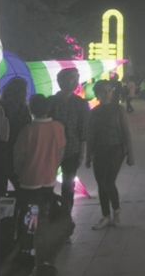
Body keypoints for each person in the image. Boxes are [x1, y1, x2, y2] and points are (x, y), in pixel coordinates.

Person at [13, 94, 66, 272]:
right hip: (48, 179)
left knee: (29, 216)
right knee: (42, 214)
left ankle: (28, 250)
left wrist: (19, 173)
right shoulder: (58, 127)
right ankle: (42, 251)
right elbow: (61, 152)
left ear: (31, 109)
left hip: (30, 181)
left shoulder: (28, 130)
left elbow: (18, 157)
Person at [86, 80, 134, 229]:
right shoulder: (94, 112)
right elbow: (91, 135)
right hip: (99, 150)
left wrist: (130, 154)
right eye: (103, 91)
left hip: (116, 149)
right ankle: (105, 215)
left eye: (109, 90)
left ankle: (116, 211)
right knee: (101, 183)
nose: (107, 94)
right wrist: (88, 155)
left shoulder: (119, 110)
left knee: (108, 181)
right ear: (97, 94)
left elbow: (126, 132)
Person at [50, 68, 90, 224]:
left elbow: (84, 130)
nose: (73, 82)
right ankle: (50, 212)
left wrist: (83, 151)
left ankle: (66, 215)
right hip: (52, 148)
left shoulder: (81, 104)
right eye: (70, 79)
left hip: (72, 148)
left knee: (68, 184)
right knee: (48, 183)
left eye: (76, 79)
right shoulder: (51, 102)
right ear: (60, 82)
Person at [1, 77, 32, 195]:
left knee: (1, 180)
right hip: (17, 147)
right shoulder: (24, 109)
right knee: (18, 180)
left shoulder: (1, 106)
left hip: (2, 146)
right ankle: (21, 203)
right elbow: (28, 127)